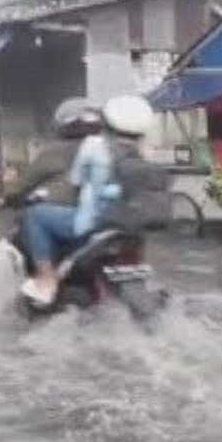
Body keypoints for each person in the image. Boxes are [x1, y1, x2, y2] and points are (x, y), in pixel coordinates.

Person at [19, 95, 154, 307]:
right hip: (126, 224)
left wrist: (8, 197)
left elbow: (30, 185)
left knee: (34, 216)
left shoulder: (64, 151)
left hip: (94, 219)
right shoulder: (134, 152)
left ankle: (46, 278)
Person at [0, 98, 102, 210]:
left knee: (35, 215)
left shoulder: (56, 152)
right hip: (107, 212)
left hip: (66, 209)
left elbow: (27, 179)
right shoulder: (109, 147)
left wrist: (5, 196)